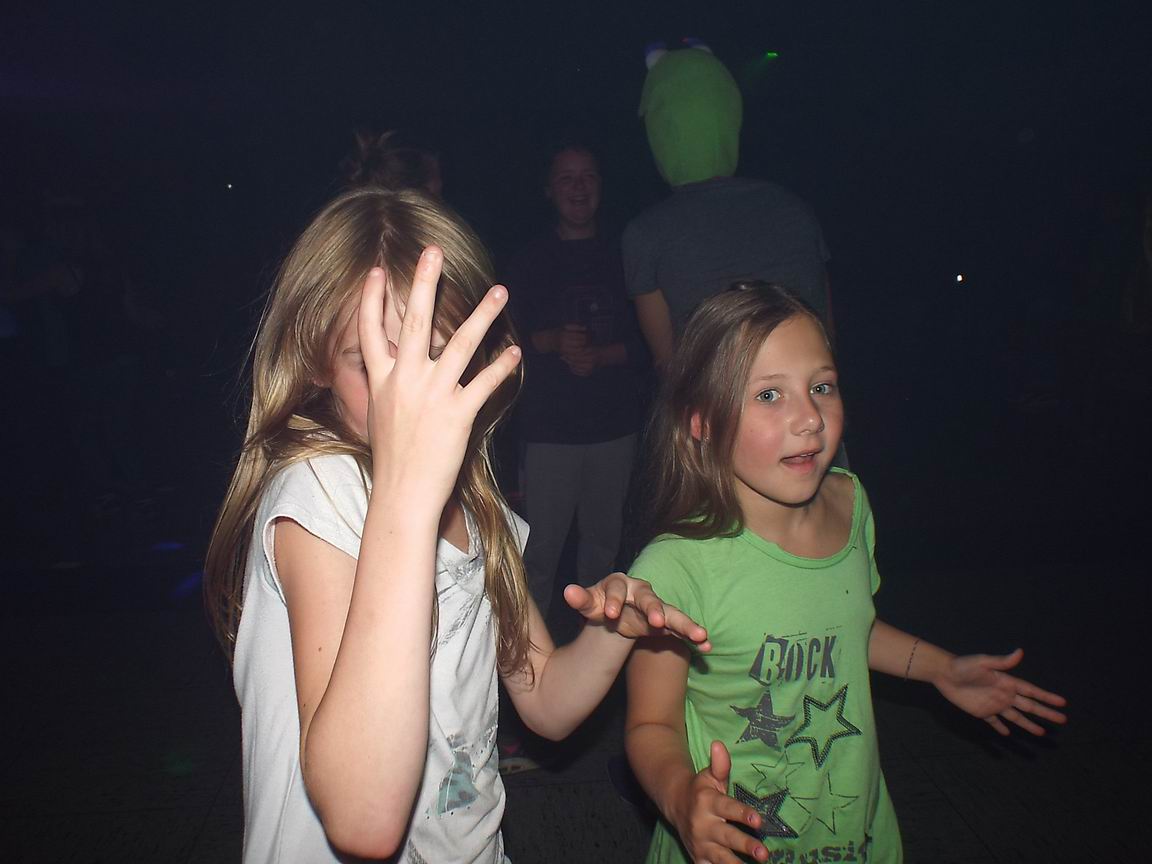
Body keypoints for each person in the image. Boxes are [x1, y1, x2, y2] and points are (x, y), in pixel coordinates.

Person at [203, 187, 710, 863]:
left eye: (438, 358)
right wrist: (408, 494)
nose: (408, 394)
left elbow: (546, 700)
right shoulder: (321, 491)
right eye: (373, 363)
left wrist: (612, 632)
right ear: (318, 359)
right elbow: (363, 823)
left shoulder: (472, 506)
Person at [623, 283, 1067, 863]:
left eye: (821, 387)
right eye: (769, 395)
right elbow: (650, 725)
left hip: (855, 835)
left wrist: (942, 669)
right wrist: (681, 796)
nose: (809, 418)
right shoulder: (675, 567)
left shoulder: (850, 504)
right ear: (701, 422)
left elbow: (844, 628)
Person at [504, 144, 648, 620]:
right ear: (549, 189)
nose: (579, 187)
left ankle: (596, 643)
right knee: (538, 550)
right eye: (567, 178)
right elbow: (503, 341)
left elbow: (654, 342)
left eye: (587, 176)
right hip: (549, 431)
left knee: (604, 547)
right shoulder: (528, 261)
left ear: (601, 185)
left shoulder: (626, 253)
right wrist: (549, 341)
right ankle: (528, 648)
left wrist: (603, 355)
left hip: (614, 428)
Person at [623, 45, 831, 370]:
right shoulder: (794, 208)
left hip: (718, 402)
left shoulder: (645, 233)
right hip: (805, 394)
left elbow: (669, 365)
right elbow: (826, 337)